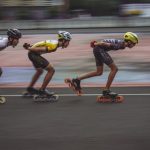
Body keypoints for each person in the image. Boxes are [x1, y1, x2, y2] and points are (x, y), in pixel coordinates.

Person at [67, 32, 138, 97]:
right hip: (99, 49)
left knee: (99, 72)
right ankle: (106, 90)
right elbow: (105, 44)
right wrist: (96, 44)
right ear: (129, 41)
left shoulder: (121, 44)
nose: (134, 45)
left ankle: (77, 80)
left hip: (97, 49)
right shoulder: (121, 45)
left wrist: (96, 44)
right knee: (114, 69)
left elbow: (105, 42)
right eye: (134, 43)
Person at [23, 31, 71, 96]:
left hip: (33, 53)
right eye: (68, 41)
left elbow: (40, 45)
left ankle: (30, 88)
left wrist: (31, 47)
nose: (68, 43)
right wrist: (29, 48)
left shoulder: (54, 43)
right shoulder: (54, 46)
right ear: (63, 40)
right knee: (51, 70)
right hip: (33, 54)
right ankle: (42, 90)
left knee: (39, 71)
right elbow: (39, 49)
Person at [0, 29, 22, 103]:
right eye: (17, 39)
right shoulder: (2, 43)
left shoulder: (7, 42)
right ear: (11, 38)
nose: (18, 41)